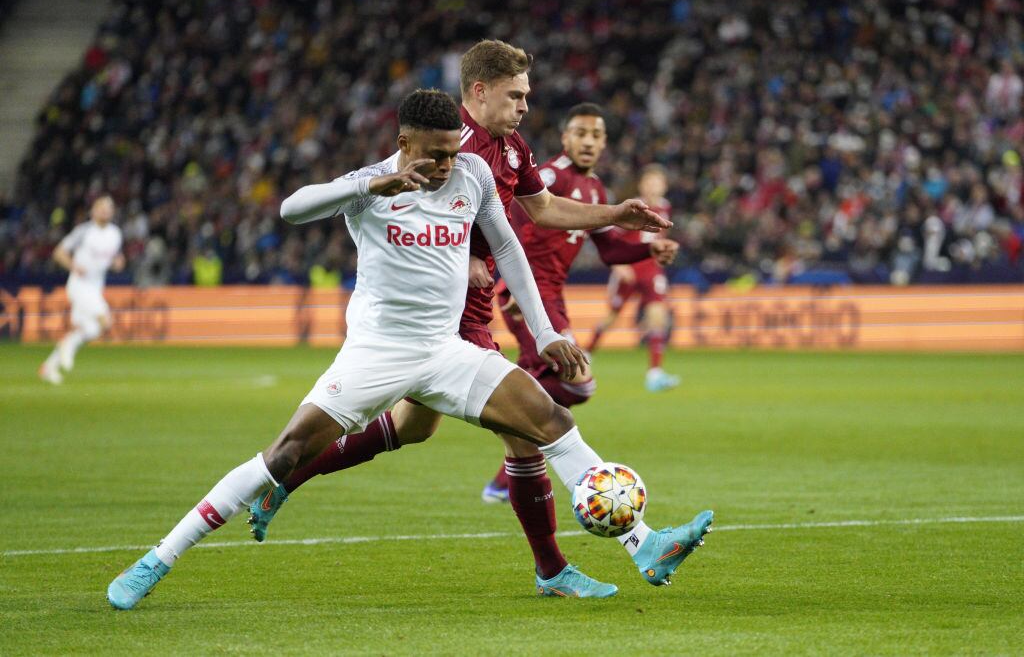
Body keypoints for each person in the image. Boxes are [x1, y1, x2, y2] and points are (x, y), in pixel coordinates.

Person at [106, 90, 713, 609]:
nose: (448, 163)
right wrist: (374, 183)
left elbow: (508, 248)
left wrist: (547, 332)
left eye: (453, 150)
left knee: (550, 419)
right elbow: (291, 209)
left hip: (446, 351)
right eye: (435, 153)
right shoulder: (368, 185)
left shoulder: (472, 174)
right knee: (285, 452)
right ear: (404, 142)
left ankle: (643, 542)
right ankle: (158, 558)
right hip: (377, 353)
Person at [248, 40, 685, 595]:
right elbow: (404, 214)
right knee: (530, 429)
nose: (525, 106)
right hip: (443, 317)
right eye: (515, 95)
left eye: (526, 95)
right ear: (479, 91)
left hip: (473, 310)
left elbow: (543, 210)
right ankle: (619, 549)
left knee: (414, 427)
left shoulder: (510, 147)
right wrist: (465, 260)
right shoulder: (450, 145)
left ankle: (284, 479)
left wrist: (615, 214)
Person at [493, 102, 679, 415]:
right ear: (565, 138)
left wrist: (649, 250)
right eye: (580, 133)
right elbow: (512, 215)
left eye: (595, 135)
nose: (588, 142)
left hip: (552, 295)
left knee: (550, 403)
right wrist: (514, 284)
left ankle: (514, 418)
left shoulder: (595, 190)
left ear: (604, 143)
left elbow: (610, 250)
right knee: (579, 383)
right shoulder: (550, 176)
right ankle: (492, 398)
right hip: (529, 294)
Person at [588, 165, 680, 391]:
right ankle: (586, 354)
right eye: (649, 182)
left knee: (658, 317)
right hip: (629, 269)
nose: (653, 187)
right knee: (612, 316)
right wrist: (618, 265)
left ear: (664, 186)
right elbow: (610, 236)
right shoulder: (633, 208)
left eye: (657, 182)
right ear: (641, 185)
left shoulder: (665, 207)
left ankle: (654, 374)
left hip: (651, 270)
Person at [39, 195, 124, 384]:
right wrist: (73, 266)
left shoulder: (116, 234)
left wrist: (118, 263)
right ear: (93, 210)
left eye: (109, 207)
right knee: (105, 320)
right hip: (79, 285)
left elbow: (116, 259)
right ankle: (68, 347)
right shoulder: (84, 231)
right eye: (101, 207)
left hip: (96, 286)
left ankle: (49, 367)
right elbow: (59, 252)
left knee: (91, 329)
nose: (105, 211)